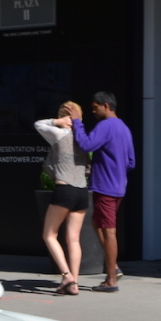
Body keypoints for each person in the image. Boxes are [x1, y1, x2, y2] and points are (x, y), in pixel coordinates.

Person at [65, 90, 135, 292]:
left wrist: (77, 122)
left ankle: (111, 279)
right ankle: (114, 267)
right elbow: (131, 162)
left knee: (109, 231)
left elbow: (87, 144)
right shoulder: (124, 128)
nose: (93, 113)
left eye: (95, 109)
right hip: (118, 186)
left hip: (105, 186)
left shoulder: (105, 126)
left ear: (106, 106)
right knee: (98, 223)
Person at [35, 101, 90, 296]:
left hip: (64, 189)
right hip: (82, 192)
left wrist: (56, 121)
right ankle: (74, 283)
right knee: (74, 239)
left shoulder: (59, 134)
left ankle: (66, 275)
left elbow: (38, 124)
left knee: (49, 235)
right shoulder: (82, 138)